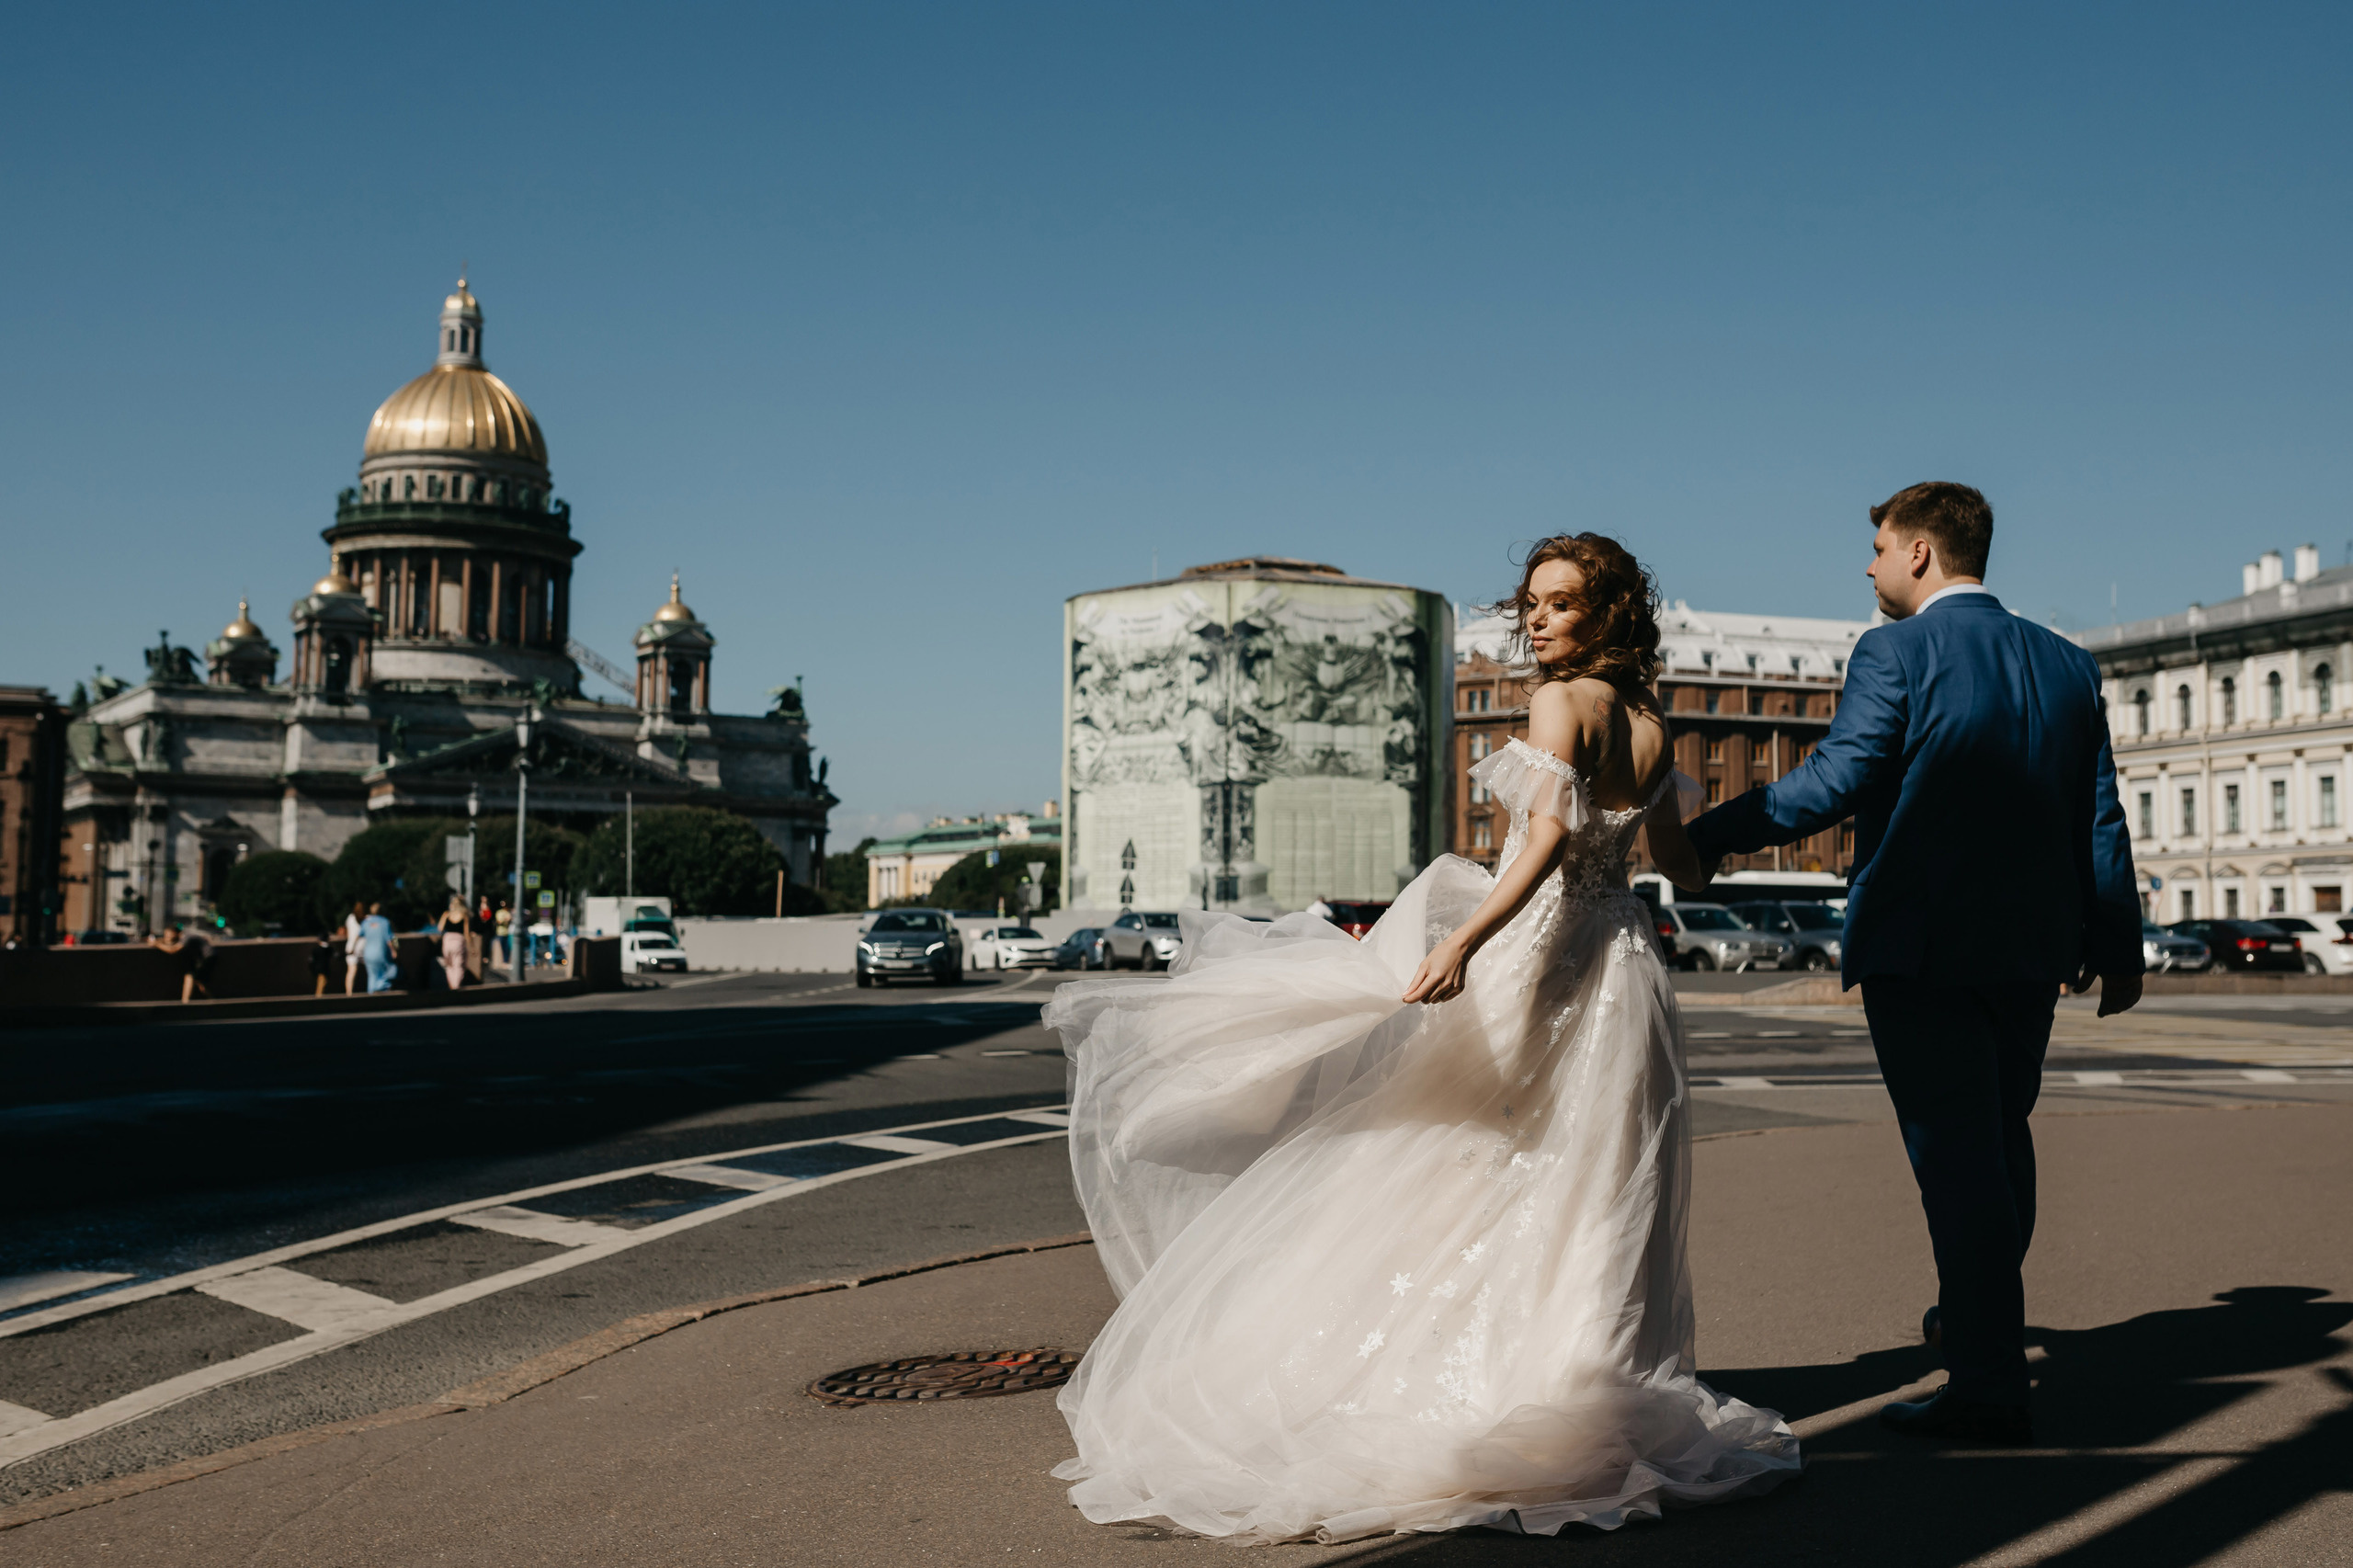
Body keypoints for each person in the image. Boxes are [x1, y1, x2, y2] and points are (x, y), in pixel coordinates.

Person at [1043, 534, 1799, 1543]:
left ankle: (1495, 1382)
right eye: (1530, 603)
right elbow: (1680, 866)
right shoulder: (1654, 729)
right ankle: (1588, 1388)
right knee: (1595, 1177)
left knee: (1470, 1156)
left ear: (1604, 614)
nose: (1536, 620)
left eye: (1559, 604)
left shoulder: (1559, 703)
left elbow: (1543, 840)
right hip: (1626, 964)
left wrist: (1465, 939)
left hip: (1546, 948)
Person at [1686, 483, 2142, 1446]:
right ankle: (1975, 1317)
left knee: (1956, 1160)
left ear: (1922, 554)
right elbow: (2096, 811)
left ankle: (1985, 1382)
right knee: (1998, 1136)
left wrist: (1709, 836)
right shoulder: (2066, 662)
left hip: (1924, 943)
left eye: (1880, 549)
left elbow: (1838, 777)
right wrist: (2116, 944)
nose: (1869, 567)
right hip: (2030, 952)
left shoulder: (1894, 648)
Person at [152, 923, 214, 1002]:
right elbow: (168, 942)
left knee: (193, 977)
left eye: (168, 934)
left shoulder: (185, 937)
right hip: (204, 958)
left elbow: (172, 950)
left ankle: (190, 1001)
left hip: (207, 958)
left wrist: (156, 944)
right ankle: (209, 1001)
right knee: (196, 979)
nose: (166, 937)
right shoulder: (184, 937)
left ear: (175, 933)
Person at [358, 902, 396, 994]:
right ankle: (383, 995)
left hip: (368, 954)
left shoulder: (366, 922)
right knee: (385, 975)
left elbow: (359, 935)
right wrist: (394, 950)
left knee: (372, 976)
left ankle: (371, 996)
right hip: (381, 952)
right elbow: (391, 938)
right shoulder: (385, 922)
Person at [437, 896, 472, 990]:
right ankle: (455, 987)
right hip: (458, 942)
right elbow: (466, 933)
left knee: (449, 966)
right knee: (458, 966)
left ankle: (452, 986)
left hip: (447, 942)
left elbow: (440, 928)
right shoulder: (464, 916)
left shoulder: (447, 914)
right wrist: (472, 947)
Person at [343, 901, 367, 994]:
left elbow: (348, 934)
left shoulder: (350, 918)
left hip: (351, 947)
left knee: (351, 971)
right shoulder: (366, 919)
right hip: (363, 948)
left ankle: (349, 993)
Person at [308, 927, 340, 996]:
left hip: (318, 969)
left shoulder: (316, 949)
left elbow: (311, 961)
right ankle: (318, 998)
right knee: (321, 985)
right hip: (324, 969)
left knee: (322, 984)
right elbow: (337, 956)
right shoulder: (329, 948)